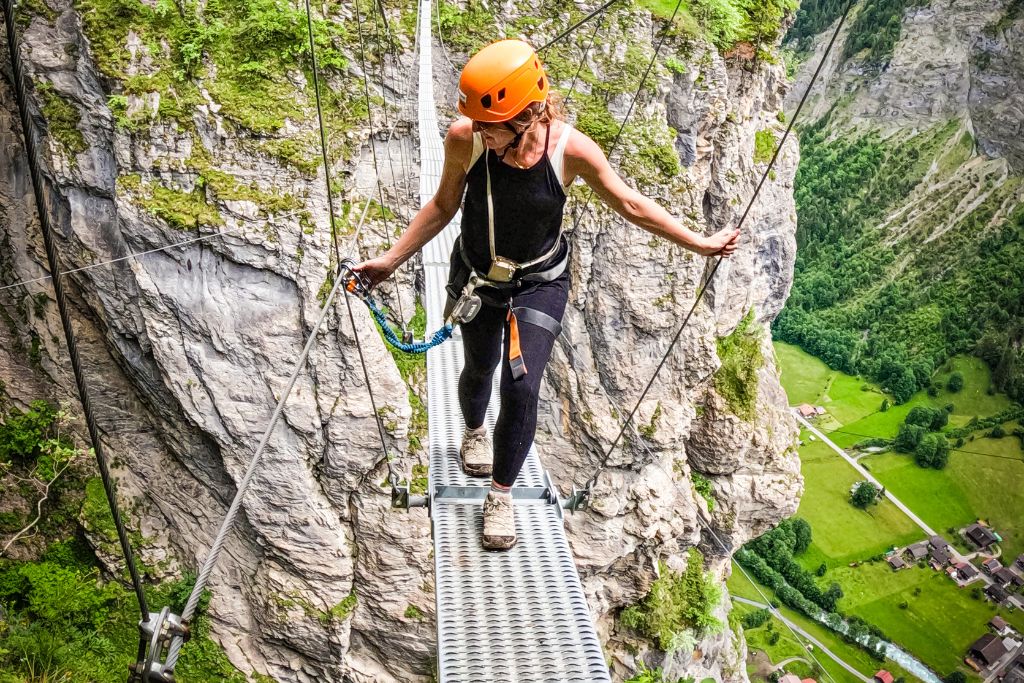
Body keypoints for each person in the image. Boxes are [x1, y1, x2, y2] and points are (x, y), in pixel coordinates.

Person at [354, 39, 739, 550]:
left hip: (540, 282)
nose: (483, 134)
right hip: (478, 277)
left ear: (529, 114)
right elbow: (444, 206)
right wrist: (388, 261)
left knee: (521, 385)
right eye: (480, 125)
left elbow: (630, 204)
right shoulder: (464, 139)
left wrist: (699, 243)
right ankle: (473, 432)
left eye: (493, 125)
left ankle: (500, 494)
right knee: (479, 368)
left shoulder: (568, 151)